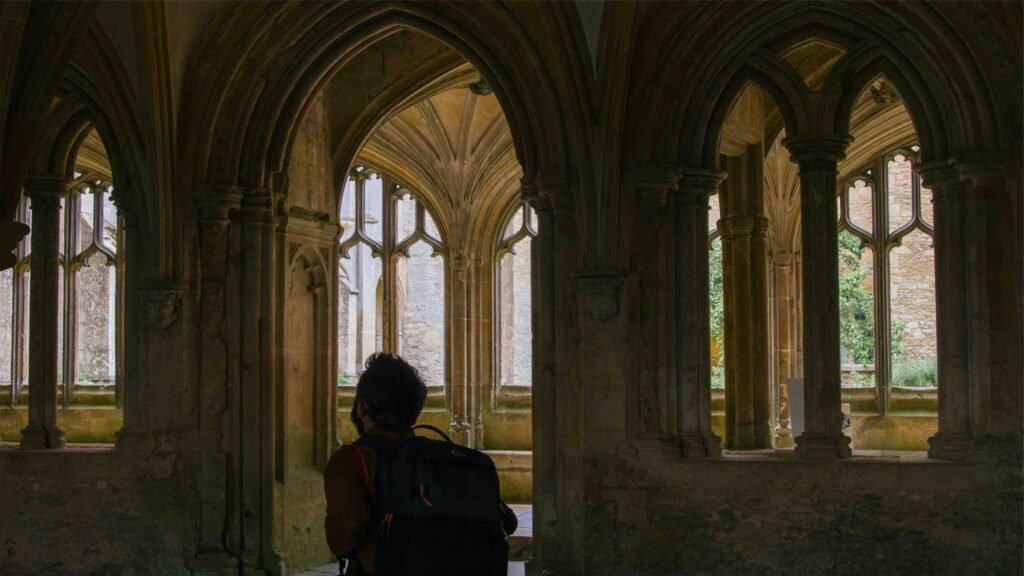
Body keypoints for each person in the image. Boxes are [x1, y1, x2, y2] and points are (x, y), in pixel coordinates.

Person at [324, 352, 518, 575]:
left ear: (361, 408)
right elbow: (508, 522)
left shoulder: (350, 461)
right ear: (413, 413)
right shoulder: (447, 460)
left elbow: (342, 541)